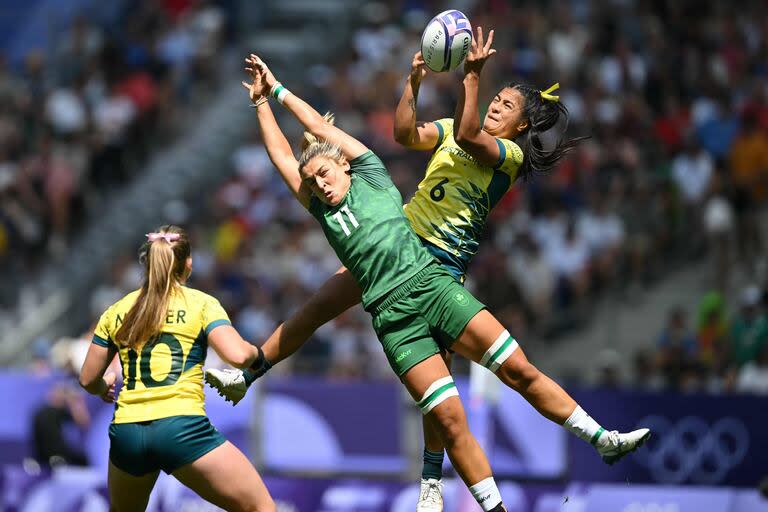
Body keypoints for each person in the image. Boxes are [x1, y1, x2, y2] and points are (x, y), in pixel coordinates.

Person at [219, 32, 647, 511]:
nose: (495, 108)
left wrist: (471, 77)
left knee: (478, 382)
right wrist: (413, 84)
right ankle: (252, 372)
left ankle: (434, 477)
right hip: (400, 249)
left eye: (505, 105)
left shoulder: (508, 155)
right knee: (325, 310)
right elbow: (405, 133)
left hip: (436, 264)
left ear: (523, 123)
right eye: (496, 100)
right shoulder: (432, 139)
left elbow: (467, 133)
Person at [78, 225, 275, 512]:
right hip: (181, 428)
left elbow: (86, 379)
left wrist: (102, 386)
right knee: (261, 507)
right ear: (189, 264)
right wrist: (261, 357)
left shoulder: (118, 309)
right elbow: (238, 355)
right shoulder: (201, 304)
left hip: (128, 433)